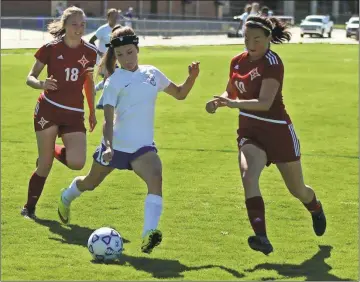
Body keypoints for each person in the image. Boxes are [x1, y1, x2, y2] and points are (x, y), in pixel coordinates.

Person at [58, 26, 200, 254]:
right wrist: (109, 147)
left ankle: (148, 234)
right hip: (116, 146)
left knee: (155, 177)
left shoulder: (153, 73)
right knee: (90, 183)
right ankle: (66, 196)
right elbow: (107, 121)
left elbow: (180, 94)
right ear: (115, 56)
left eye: (130, 52)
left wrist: (191, 78)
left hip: (142, 148)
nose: (127, 58)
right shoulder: (114, 81)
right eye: (121, 54)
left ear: (137, 49)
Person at [205, 16, 326, 255]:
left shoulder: (273, 63)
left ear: (269, 38)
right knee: (248, 175)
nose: (250, 44)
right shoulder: (237, 62)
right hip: (250, 131)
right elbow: (231, 91)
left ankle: (315, 207)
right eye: (247, 38)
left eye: (256, 39)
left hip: (277, 131)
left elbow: (264, 102)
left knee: (297, 189)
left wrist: (232, 104)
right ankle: (261, 237)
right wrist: (219, 101)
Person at [21, 6, 98, 219]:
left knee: (77, 162)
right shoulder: (50, 48)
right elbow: (30, 76)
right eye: (75, 24)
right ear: (64, 25)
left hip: (74, 113)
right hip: (48, 110)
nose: (79, 28)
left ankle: (52, 149)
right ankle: (29, 208)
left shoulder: (90, 52)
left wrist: (92, 112)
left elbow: (89, 84)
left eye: (82, 24)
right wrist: (41, 83)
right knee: (44, 165)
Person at [89, 8, 120, 106]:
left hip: (113, 59)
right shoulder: (103, 29)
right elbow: (91, 41)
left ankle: (96, 93)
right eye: (113, 16)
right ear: (108, 17)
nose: (115, 18)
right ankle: (101, 102)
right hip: (102, 60)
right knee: (110, 79)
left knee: (109, 80)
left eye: (116, 16)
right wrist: (99, 52)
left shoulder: (118, 29)